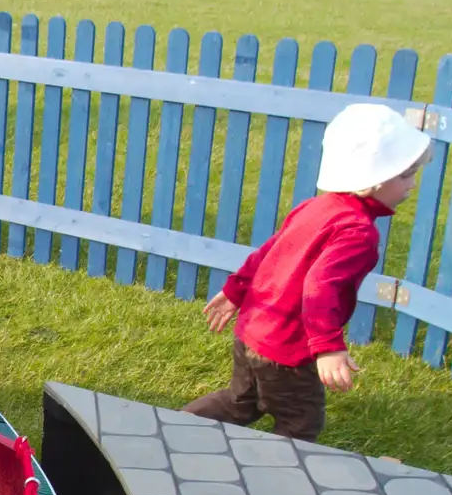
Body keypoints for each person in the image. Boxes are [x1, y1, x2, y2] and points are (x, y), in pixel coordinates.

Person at [184, 104, 431, 441]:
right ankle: (282, 482)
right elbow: (320, 287)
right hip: (288, 351)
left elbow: (269, 251)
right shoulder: (357, 231)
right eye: (405, 174)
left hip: (251, 333)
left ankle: (177, 428)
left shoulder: (315, 206)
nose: (412, 184)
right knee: (300, 425)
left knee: (239, 404)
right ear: (372, 180)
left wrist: (235, 291)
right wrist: (328, 346)